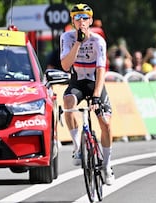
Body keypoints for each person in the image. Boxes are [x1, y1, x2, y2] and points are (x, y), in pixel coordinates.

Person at [59, 3, 115, 185]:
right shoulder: (66, 38)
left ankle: (106, 166)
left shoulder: (99, 41)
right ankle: (77, 147)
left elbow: (100, 71)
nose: (81, 21)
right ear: (72, 21)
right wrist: (78, 42)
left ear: (90, 20)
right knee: (67, 102)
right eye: (77, 18)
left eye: (84, 18)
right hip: (77, 82)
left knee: (105, 123)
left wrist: (97, 96)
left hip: (95, 83)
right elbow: (66, 66)